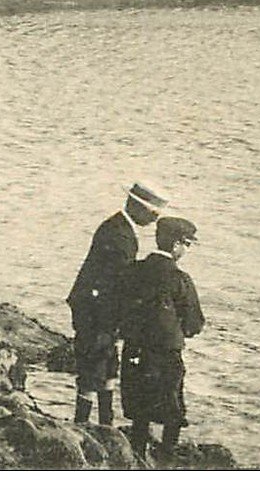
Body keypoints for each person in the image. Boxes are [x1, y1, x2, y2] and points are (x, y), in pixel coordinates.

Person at [67, 180, 169, 427]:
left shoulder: (118, 227)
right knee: (94, 367)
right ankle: (85, 424)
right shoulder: (119, 236)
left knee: (107, 365)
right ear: (137, 207)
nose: (155, 220)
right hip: (95, 310)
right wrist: (114, 323)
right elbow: (114, 285)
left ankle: (104, 422)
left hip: (96, 307)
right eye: (153, 213)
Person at [120, 217, 204, 464]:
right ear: (177, 245)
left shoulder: (133, 270)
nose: (186, 250)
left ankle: (137, 457)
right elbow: (194, 323)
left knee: (140, 410)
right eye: (186, 244)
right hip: (165, 355)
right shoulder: (179, 280)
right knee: (172, 411)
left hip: (134, 351)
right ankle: (166, 463)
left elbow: (119, 307)